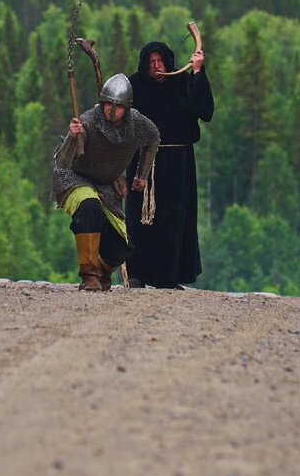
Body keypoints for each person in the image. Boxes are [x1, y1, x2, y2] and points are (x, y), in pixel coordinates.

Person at [51, 73, 160, 291]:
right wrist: (73, 138)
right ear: (102, 103)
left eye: (118, 106)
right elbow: (62, 161)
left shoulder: (136, 123)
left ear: (126, 108)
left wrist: (142, 174)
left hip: (107, 185)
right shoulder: (89, 121)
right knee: (89, 207)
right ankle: (89, 276)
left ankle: (102, 273)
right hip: (76, 179)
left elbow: (154, 137)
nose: (111, 110)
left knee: (119, 248)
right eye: (108, 104)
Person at [123, 40, 213, 289]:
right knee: (139, 219)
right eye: (151, 62)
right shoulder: (134, 85)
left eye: (160, 61)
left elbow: (204, 111)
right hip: (142, 162)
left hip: (177, 162)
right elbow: (118, 118)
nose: (156, 66)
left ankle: (169, 277)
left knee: (173, 219)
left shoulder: (182, 83)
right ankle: (137, 273)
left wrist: (197, 72)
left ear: (168, 61)